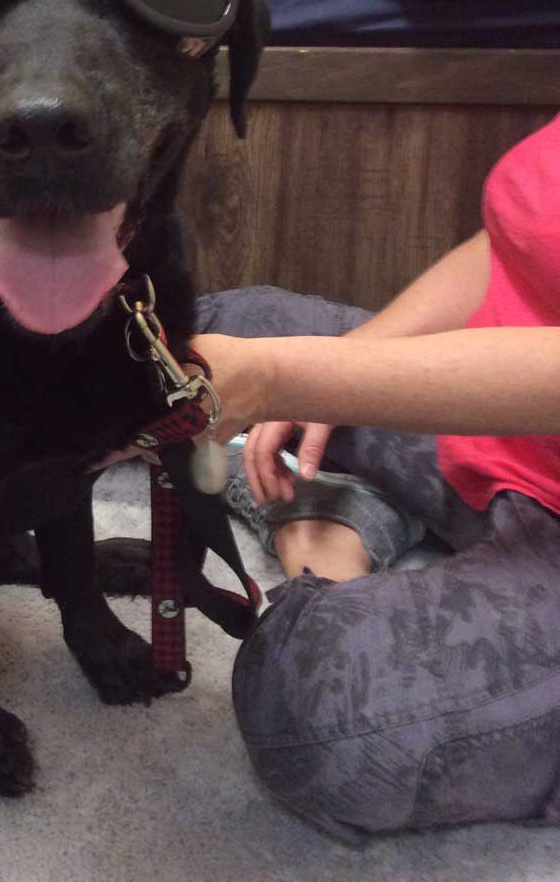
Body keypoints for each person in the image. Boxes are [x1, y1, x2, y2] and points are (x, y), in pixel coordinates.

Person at [189, 112, 560, 840]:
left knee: (315, 716)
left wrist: (292, 380)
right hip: (501, 438)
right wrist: (350, 361)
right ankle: (354, 503)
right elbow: (512, 238)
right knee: (223, 322)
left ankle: (324, 525)